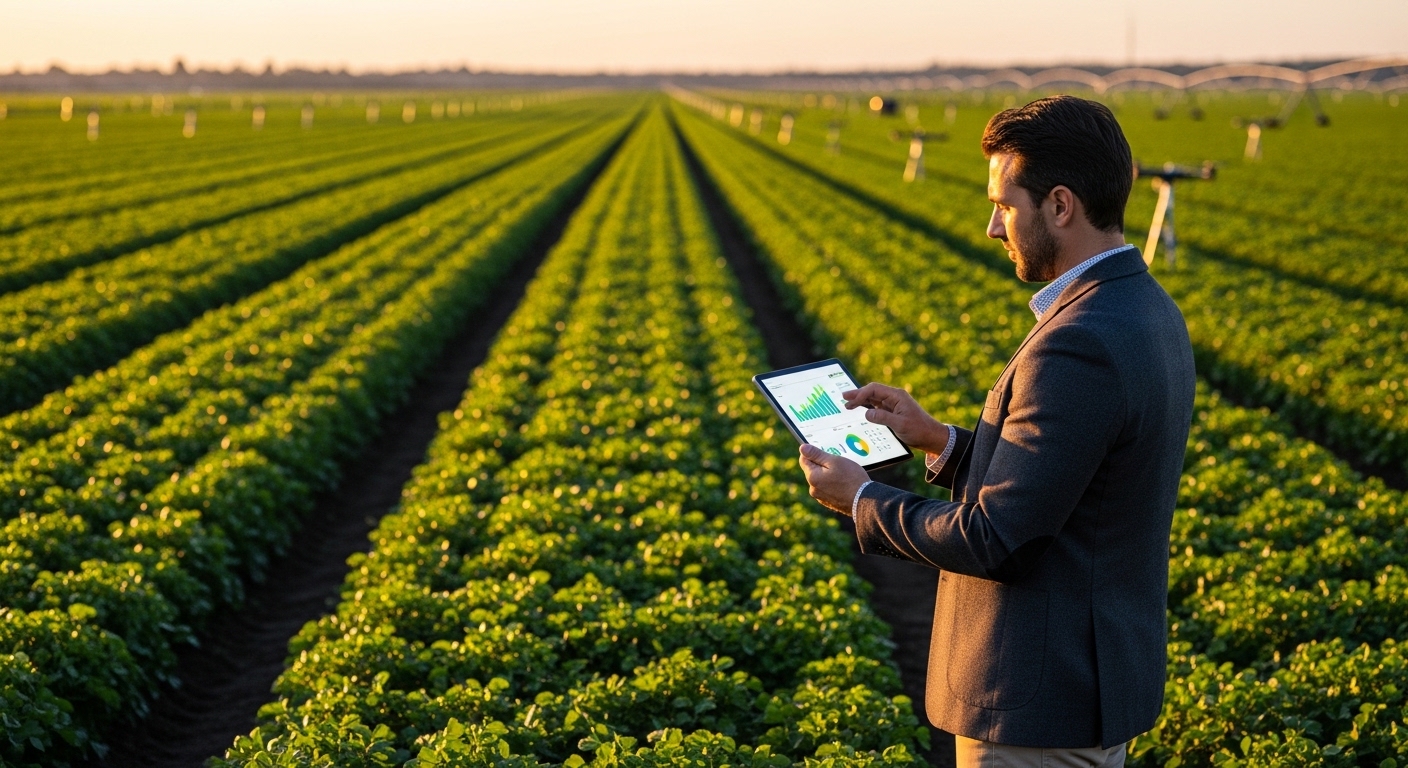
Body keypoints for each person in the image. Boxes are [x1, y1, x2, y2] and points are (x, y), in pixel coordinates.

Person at [797, 95, 1195, 767]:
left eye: (1005, 205)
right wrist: (939, 441)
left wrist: (863, 500)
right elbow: (1073, 481)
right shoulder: (1145, 308)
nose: (991, 227)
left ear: (1061, 206)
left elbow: (998, 539)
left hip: (1036, 709)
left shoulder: (1080, 343)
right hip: (1084, 687)